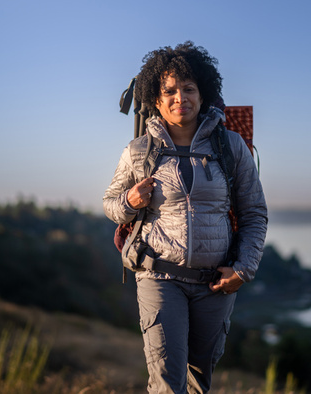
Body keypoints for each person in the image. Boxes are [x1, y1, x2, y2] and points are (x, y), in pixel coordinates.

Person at [103, 41, 267, 393]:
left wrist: (243, 269)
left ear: (202, 93)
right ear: (157, 101)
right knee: (167, 384)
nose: (181, 98)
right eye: (170, 91)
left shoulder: (232, 146)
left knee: (198, 383)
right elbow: (110, 204)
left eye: (189, 88)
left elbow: (254, 213)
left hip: (215, 283)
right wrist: (130, 200)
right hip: (158, 276)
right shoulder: (138, 151)